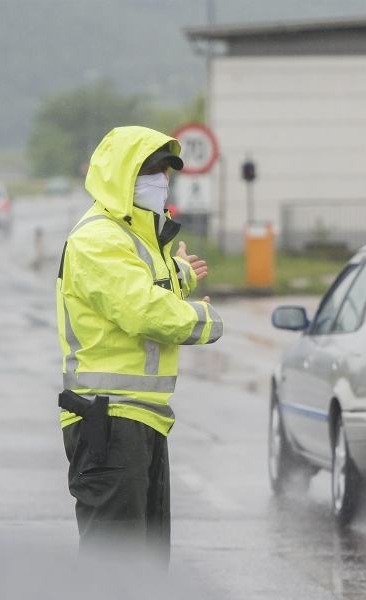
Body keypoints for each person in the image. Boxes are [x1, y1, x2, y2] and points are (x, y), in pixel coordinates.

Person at [56, 126, 224, 565]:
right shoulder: (97, 238)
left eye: (165, 171)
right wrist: (206, 319)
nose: (160, 180)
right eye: (150, 170)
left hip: (138, 419)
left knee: (144, 567)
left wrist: (182, 274)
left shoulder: (137, 236)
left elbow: (145, 284)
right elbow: (143, 309)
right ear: (120, 176)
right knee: (116, 569)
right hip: (109, 418)